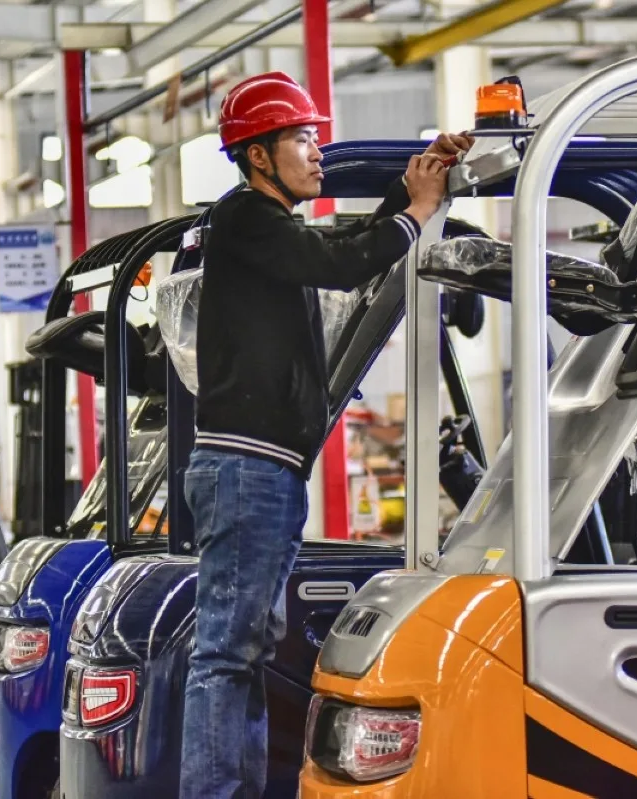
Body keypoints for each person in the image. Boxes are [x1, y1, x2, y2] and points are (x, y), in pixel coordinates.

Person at [179, 71, 472, 799]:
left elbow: (341, 248)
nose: (318, 152)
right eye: (302, 138)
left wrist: (414, 188)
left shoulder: (268, 232)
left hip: (263, 471)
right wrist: (414, 214)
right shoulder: (245, 218)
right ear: (256, 156)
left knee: (241, 652)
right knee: (224, 654)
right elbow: (339, 263)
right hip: (248, 469)